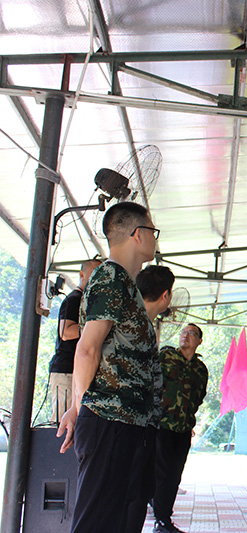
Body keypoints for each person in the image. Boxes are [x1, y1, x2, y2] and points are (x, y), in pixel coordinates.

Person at [56, 201, 160, 533]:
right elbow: (87, 349)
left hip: (127, 421)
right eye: (153, 231)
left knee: (117, 517)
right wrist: (79, 407)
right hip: (108, 418)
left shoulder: (126, 284)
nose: (155, 239)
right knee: (97, 520)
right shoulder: (110, 277)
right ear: (138, 234)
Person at [125, 264, 174, 533]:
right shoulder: (137, 324)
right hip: (134, 425)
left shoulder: (138, 321)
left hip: (141, 425)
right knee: (133, 494)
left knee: (139, 492)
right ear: (165, 295)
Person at [150, 322, 207, 533]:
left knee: (174, 474)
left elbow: (199, 397)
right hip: (161, 424)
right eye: (183, 333)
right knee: (162, 471)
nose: (185, 336)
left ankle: (162, 514)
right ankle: (161, 519)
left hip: (183, 428)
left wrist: (186, 414)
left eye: (191, 333)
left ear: (199, 341)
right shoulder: (166, 357)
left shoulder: (200, 369)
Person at [48, 258, 102, 423]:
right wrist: (93, 328)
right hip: (66, 370)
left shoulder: (87, 301)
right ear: (82, 274)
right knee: (62, 421)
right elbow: (66, 332)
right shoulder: (75, 299)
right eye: (94, 273)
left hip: (77, 370)